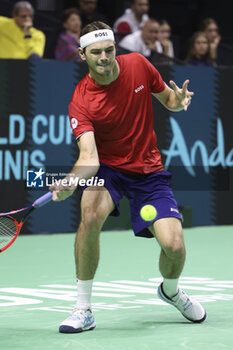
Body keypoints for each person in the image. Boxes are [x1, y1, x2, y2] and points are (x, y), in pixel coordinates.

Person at [50, 21, 206, 334]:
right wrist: (70, 181)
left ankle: (171, 291)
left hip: (148, 170)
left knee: (174, 247)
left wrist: (179, 102)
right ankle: (83, 309)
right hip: (108, 170)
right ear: (83, 54)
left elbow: (167, 99)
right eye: (96, 53)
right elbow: (89, 159)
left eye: (109, 50)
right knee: (90, 214)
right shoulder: (82, 100)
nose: (105, 57)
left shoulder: (137, 64)